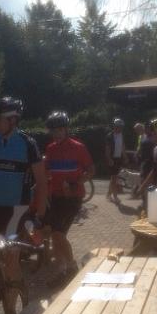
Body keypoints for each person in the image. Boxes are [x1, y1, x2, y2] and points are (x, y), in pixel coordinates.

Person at [0, 96, 47, 314]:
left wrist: (39, 216)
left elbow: (42, 182)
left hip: (18, 210)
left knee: (11, 258)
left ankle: (10, 311)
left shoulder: (27, 144)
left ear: (12, 120)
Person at [44, 110, 94, 288]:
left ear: (66, 129)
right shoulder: (50, 149)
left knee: (58, 234)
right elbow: (47, 172)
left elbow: (91, 170)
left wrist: (76, 182)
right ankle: (63, 270)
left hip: (73, 197)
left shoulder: (78, 147)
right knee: (56, 235)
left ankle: (71, 268)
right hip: (56, 197)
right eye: (53, 130)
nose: (56, 133)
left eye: (59, 130)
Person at [105, 117, 126, 202]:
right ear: (114, 126)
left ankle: (108, 194)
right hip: (112, 159)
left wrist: (125, 157)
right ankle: (115, 196)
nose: (120, 128)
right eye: (118, 127)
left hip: (119, 158)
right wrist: (109, 159)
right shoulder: (110, 136)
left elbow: (122, 147)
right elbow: (107, 149)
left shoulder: (121, 135)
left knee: (114, 178)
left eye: (121, 127)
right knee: (114, 178)